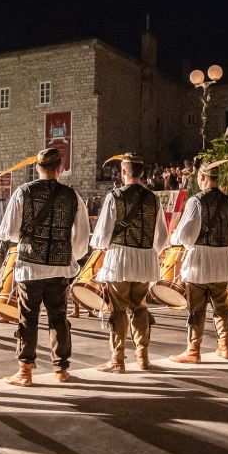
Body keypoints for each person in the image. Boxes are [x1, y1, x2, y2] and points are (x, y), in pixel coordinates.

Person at [0, 147, 91, 385]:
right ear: (60, 169)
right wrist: (70, 254)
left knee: (28, 317)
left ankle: (25, 371)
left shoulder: (23, 191)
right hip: (60, 267)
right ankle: (61, 369)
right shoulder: (73, 196)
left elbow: (8, 232)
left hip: (30, 266)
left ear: (36, 168)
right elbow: (82, 238)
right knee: (58, 316)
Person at [89, 154, 168, 372]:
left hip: (120, 259)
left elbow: (102, 234)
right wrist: (150, 252)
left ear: (123, 172)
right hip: (144, 260)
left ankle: (118, 360)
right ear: (142, 172)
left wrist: (100, 245)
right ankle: (143, 358)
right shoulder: (153, 198)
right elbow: (161, 236)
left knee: (118, 310)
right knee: (140, 308)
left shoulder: (115, 196)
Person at [170, 159, 228, 363]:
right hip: (221, 259)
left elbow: (185, 234)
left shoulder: (196, 201)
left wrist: (176, 238)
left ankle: (193, 350)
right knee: (221, 305)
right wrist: (226, 248)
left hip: (199, 260)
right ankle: (225, 346)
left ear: (202, 178)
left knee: (196, 307)